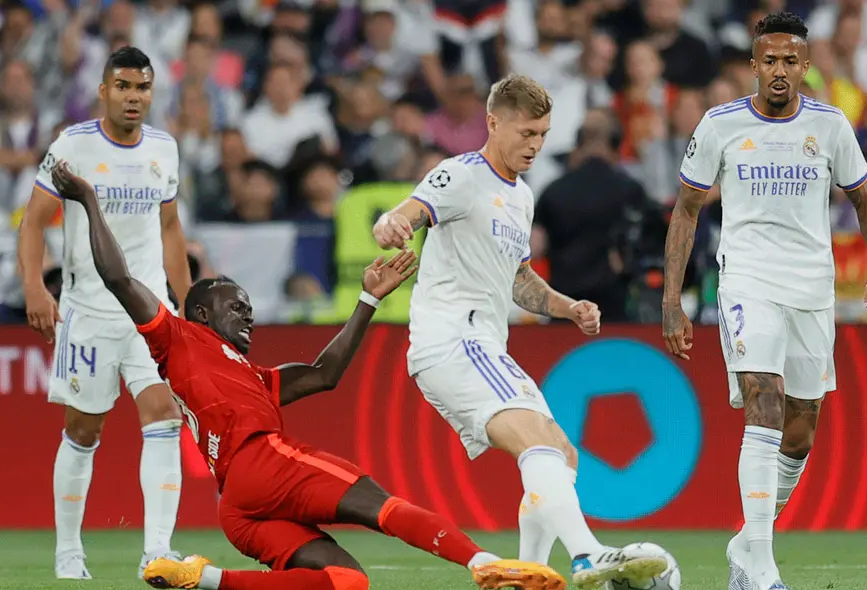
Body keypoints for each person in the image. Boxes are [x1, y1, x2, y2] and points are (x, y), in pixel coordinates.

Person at [47, 160, 567, 590]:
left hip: (237, 508)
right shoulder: (177, 339)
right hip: (262, 461)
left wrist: (368, 299)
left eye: (248, 306)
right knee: (383, 506)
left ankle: (205, 581)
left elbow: (324, 374)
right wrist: (88, 201)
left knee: (346, 582)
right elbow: (118, 276)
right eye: (235, 305)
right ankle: (485, 565)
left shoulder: (249, 374)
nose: (247, 314)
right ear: (201, 313)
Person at [371, 73, 668, 589]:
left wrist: (566, 306)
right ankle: (587, 556)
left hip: (481, 345)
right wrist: (390, 225)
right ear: (492, 122)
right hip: (454, 340)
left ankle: (528, 573)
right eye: (526, 132)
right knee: (541, 446)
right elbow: (406, 214)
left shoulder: (521, 197)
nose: (535, 145)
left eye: (543, 135)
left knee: (562, 453)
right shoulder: (460, 175)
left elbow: (519, 280)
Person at [661, 12, 867, 590]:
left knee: (801, 428)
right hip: (747, 282)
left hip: (812, 289)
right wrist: (672, 298)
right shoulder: (719, 126)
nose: (779, 71)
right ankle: (761, 566)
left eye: (790, 61)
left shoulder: (831, 125)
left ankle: (748, 543)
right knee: (763, 404)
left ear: (806, 67)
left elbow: (865, 201)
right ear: (754, 66)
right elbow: (686, 211)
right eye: (769, 60)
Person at [16, 47, 192, 579]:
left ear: (151, 93)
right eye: (123, 87)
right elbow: (33, 223)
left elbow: (169, 228)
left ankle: (156, 552)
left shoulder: (165, 149)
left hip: (150, 311)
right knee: (83, 431)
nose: (133, 97)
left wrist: (188, 302)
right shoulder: (73, 147)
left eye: (141, 88)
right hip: (88, 312)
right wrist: (33, 288)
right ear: (103, 90)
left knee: (165, 415)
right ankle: (69, 551)